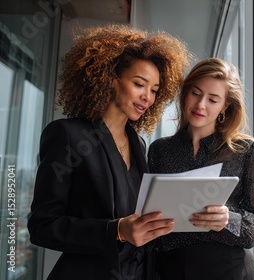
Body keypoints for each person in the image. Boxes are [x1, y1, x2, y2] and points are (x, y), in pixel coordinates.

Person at [27, 24, 191, 280]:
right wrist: (116, 230)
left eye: (154, 90)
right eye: (140, 84)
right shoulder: (67, 134)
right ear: (111, 79)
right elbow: (42, 227)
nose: (147, 97)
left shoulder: (138, 144)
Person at [148, 58, 254, 280]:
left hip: (228, 268)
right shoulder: (160, 150)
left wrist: (228, 220)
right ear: (186, 93)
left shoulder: (244, 149)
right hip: (171, 269)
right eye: (196, 93)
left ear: (225, 106)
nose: (201, 104)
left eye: (213, 99)